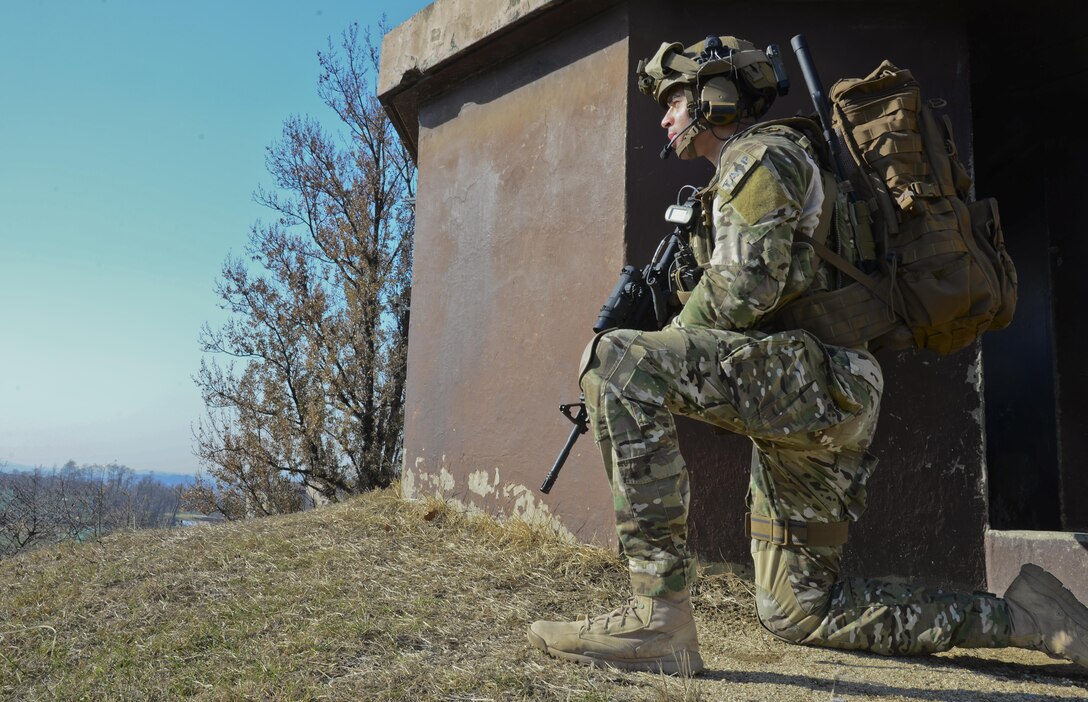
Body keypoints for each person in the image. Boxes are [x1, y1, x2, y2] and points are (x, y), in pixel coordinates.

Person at [527, 35, 1088, 675]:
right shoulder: (744, 177)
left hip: (819, 381)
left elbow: (743, 292)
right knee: (799, 610)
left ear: (716, 97)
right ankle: (1030, 618)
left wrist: (664, 336)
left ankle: (658, 619)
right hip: (823, 393)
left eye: (675, 100)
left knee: (617, 363)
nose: (665, 117)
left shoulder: (762, 159)